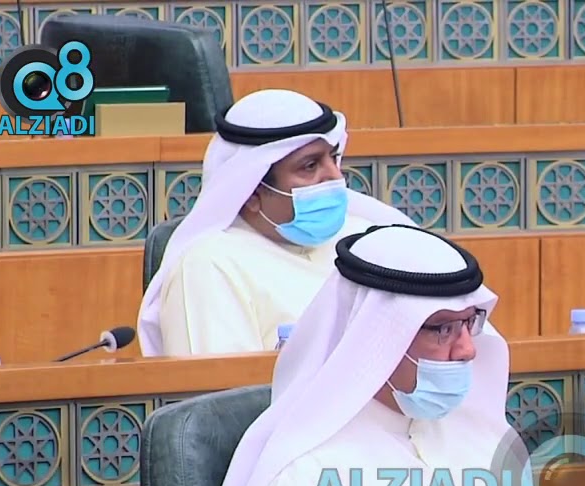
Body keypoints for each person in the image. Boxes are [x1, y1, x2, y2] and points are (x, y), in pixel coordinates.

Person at [181, 224, 585, 486]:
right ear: (378, 336)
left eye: (470, 323)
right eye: (442, 329)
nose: (468, 349)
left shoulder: (484, 435)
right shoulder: (308, 466)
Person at [137, 89, 413, 356]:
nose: (335, 176)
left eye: (333, 158)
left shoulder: (366, 238)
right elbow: (225, 386)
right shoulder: (209, 266)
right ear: (252, 194)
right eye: (310, 166)